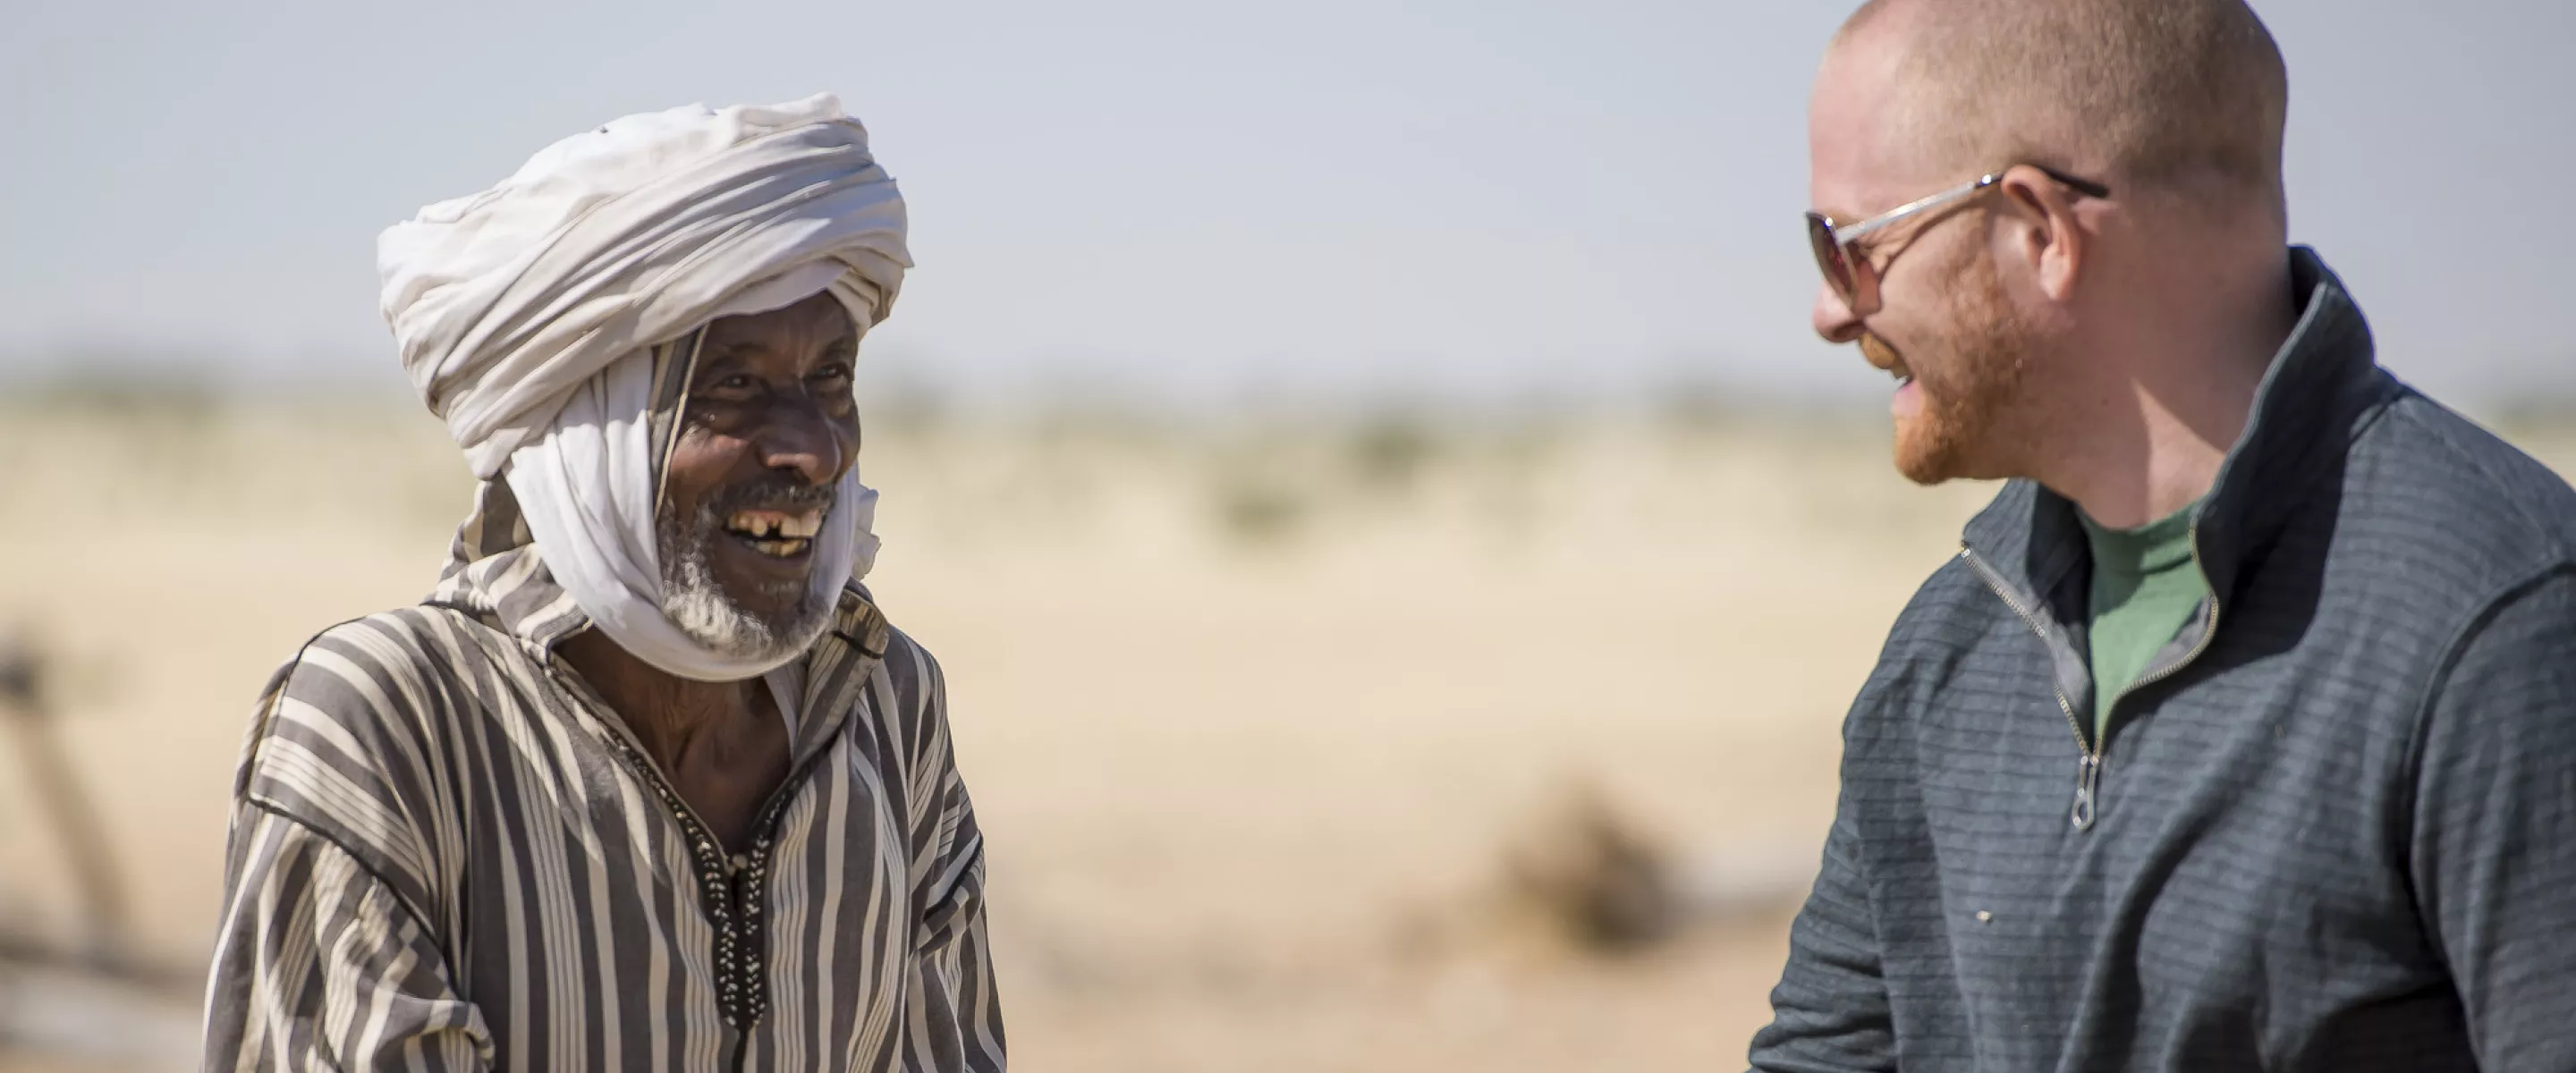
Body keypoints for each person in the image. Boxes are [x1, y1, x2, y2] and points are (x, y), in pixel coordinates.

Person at [1755, 0, 2576, 1069]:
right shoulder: (1948, 650)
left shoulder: (2503, 626)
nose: (1829, 310)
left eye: (1847, 246)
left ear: (2042, 231)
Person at [201, 97, 1005, 1071]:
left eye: (830, 377)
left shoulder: (885, 705)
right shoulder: (387, 725)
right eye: (736, 386)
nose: (811, 447)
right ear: (594, 426)